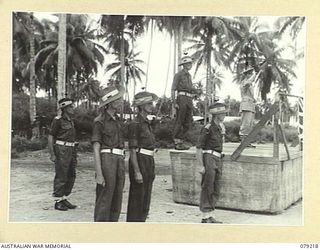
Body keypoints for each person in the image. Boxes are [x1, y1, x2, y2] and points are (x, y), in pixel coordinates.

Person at [91, 85, 126, 222]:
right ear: (110, 103)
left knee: (117, 197)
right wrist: (99, 173)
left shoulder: (118, 120)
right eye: (118, 100)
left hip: (119, 159)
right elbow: (96, 147)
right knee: (105, 197)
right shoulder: (99, 121)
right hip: (107, 160)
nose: (121, 102)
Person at [126, 91, 158, 222]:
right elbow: (132, 150)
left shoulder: (147, 123)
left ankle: (141, 224)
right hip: (139, 160)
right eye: (149, 103)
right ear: (142, 105)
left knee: (146, 197)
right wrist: (137, 171)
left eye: (151, 103)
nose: (152, 106)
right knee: (137, 198)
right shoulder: (135, 124)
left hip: (149, 161)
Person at [196, 102, 228, 223]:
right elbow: (199, 147)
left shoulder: (220, 128)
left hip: (217, 159)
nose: (224, 115)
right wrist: (200, 165)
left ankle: (210, 215)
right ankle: (205, 217)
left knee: (216, 187)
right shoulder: (207, 128)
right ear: (216, 115)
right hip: (208, 158)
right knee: (207, 187)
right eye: (222, 113)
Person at [48, 98, 77, 211]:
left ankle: (64, 198)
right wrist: (52, 154)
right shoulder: (58, 120)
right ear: (64, 109)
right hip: (61, 149)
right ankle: (58, 201)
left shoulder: (71, 120)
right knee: (61, 175)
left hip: (71, 149)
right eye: (70, 107)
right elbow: (51, 137)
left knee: (71, 174)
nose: (72, 108)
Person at [171, 55, 199, 150]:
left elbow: (190, 88)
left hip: (189, 99)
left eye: (190, 63)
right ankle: (176, 141)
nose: (190, 65)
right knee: (180, 120)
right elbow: (173, 89)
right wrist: (174, 102)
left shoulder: (189, 76)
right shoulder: (178, 75)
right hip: (181, 97)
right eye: (188, 63)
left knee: (188, 121)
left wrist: (196, 91)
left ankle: (182, 141)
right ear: (183, 65)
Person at [239, 67, 256, 147]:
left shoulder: (250, 84)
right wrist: (256, 74)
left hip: (251, 105)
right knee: (245, 124)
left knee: (249, 125)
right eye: (250, 73)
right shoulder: (244, 82)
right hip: (246, 105)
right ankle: (243, 142)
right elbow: (248, 83)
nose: (251, 75)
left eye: (251, 73)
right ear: (246, 75)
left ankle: (247, 142)